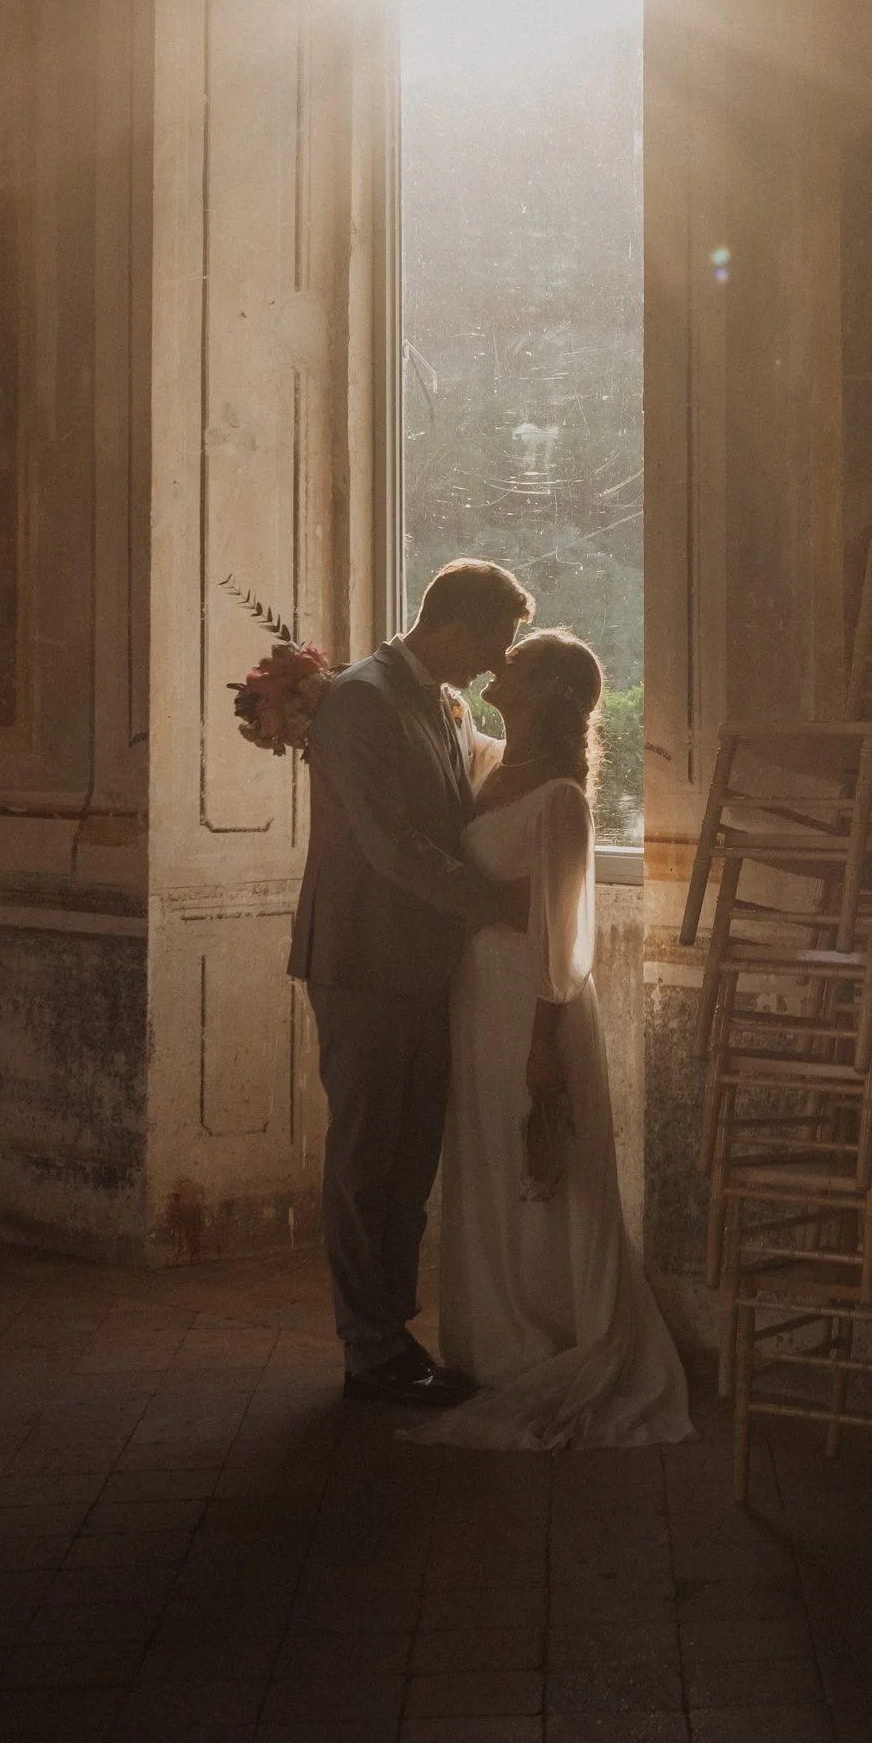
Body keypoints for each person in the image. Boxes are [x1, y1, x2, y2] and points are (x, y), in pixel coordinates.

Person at [420, 629, 692, 1451]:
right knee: (486, 1157)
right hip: (476, 996)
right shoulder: (489, 760)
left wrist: (545, 1044)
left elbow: (563, 937)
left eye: (520, 659)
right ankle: (493, 1337)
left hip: (535, 1004)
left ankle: (554, 1329)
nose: (499, 663)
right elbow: (437, 715)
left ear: (546, 690)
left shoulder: (563, 798)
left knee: (539, 1160)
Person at [288, 557, 535, 1405]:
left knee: (410, 1157)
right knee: (366, 1158)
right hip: (360, 958)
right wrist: (495, 902)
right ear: (457, 626)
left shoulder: (440, 698)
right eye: (495, 643)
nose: (497, 662)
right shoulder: (361, 698)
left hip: (426, 961)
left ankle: (394, 1331)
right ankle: (367, 1346)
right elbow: (389, 845)